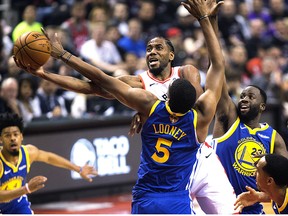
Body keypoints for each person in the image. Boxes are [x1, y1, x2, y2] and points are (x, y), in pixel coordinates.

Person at [14, 0, 238, 214]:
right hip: (182, 162)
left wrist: (63, 57)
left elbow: (101, 78)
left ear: (171, 55)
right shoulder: (140, 84)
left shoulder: (161, 91)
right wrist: (205, 19)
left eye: (158, 47)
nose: (152, 51)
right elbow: (91, 86)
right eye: (149, 48)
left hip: (197, 161)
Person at [210, 27, 288, 216]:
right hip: (222, 206)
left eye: (251, 96)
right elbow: (217, 70)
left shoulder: (273, 138)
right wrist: (210, 22)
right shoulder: (228, 120)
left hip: (253, 209)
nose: (244, 99)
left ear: (262, 106)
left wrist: (260, 196)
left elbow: (283, 185)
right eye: (242, 96)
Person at [0, 112, 97, 214]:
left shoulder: (28, 152)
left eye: (15, 134)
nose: (12, 138)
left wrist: (79, 169)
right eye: (7, 135)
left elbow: (49, 157)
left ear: (21, 137)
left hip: (18, 205)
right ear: (0, 139)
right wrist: (26, 189)